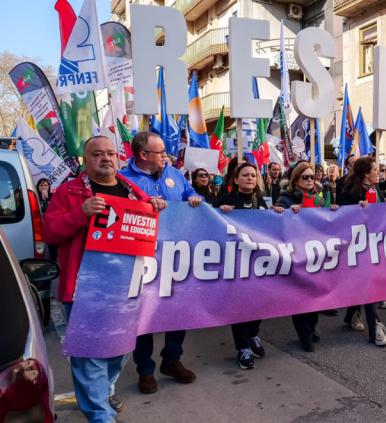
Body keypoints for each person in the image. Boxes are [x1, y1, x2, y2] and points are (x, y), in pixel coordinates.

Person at [42, 136, 166, 423]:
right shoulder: (68, 192)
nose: (106, 158)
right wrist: (80, 214)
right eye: (97, 154)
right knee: (90, 357)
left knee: (120, 348)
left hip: (127, 286)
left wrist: (156, 206)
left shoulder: (131, 190)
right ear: (85, 160)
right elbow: (50, 234)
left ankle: (105, 390)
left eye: (111, 153)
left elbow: (151, 227)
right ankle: (100, 415)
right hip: (84, 288)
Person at [119, 132, 203, 394]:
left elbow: (190, 192)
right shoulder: (122, 180)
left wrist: (195, 198)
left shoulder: (174, 173)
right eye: (161, 152)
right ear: (143, 155)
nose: (166, 156)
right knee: (144, 314)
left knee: (178, 309)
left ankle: (172, 360)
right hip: (141, 258)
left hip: (176, 255)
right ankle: (145, 370)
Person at [213, 162, 272, 369]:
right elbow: (213, 228)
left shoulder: (261, 202)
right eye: (245, 175)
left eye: (253, 175)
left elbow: (269, 228)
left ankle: (254, 335)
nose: (250, 178)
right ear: (236, 179)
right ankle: (243, 347)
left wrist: (278, 213)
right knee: (240, 305)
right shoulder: (225, 201)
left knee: (259, 303)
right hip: (236, 264)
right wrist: (219, 212)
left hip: (258, 263)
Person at [275, 162, 339, 351]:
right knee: (301, 297)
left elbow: (327, 221)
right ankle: (305, 336)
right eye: (305, 177)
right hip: (296, 256)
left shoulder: (318, 198)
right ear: (296, 179)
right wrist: (285, 212)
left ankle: (311, 328)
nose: (310, 180)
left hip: (316, 255)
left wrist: (333, 209)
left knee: (314, 295)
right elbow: (276, 222)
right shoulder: (286, 198)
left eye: (312, 176)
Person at [337, 156, 386, 346]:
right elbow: (341, 216)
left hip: (375, 243)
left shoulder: (376, 189)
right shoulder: (349, 192)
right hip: (357, 246)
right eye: (376, 169)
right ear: (367, 174)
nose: (380, 172)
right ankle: (376, 328)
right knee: (369, 285)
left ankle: (351, 315)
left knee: (367, 284)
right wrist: (355, 209)